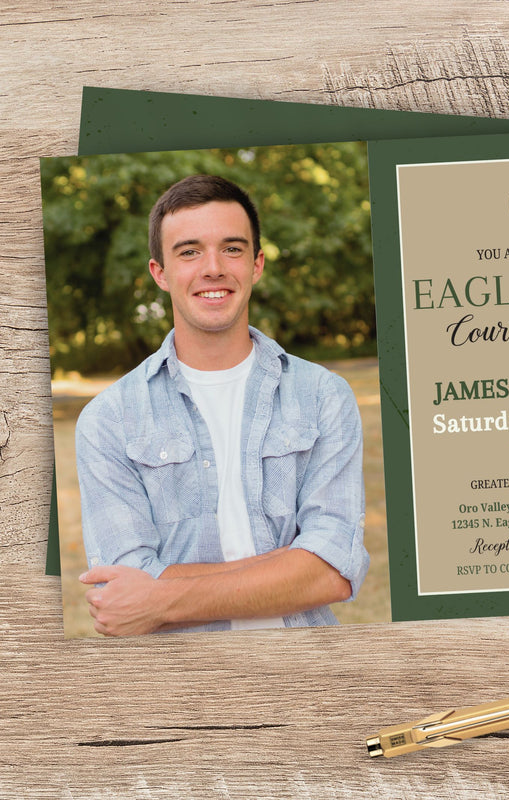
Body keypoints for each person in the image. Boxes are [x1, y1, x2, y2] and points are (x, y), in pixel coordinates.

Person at [75, 174, 368, 636]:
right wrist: (285, 564)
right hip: (183, 692)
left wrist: (162, 595)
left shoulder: (322, 396)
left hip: (311, 678)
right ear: (160, 273)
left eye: (231, 248)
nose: (212, 267)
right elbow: (122, 584)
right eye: (189, 251)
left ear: (256, 265)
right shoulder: (109, 420)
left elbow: (331, 570)